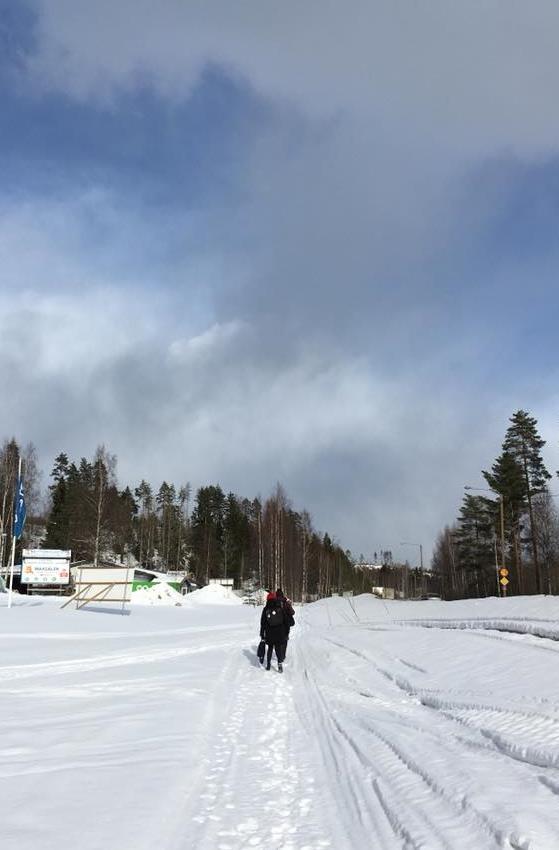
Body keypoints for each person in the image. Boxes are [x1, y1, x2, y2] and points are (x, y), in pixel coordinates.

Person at [260, 591, 288, 672]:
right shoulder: (280, 607)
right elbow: (285, 621)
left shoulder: (265, 609)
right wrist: (286, 632)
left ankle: (268, 665)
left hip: (269, 632)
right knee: (278, 649)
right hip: (279, 632)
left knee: (270, 648)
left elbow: (263, 623)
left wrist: (262, 634)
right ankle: (279, 665)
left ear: (267, 599)